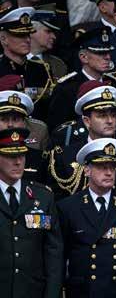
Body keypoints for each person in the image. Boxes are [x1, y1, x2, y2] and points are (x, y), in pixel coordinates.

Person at [57, 138, 116, 298]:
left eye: (112, 167)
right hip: (83, 291)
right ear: (87, 170)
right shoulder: (68, 207)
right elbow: (60, 256)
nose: (109, 172)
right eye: (102, 167)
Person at [47, 81, 116, 202]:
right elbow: (59, 204)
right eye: (102, 115)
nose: (110, 121)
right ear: (87, 121)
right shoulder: (65, 156)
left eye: (113, 115)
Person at [0, 127, 63, 297]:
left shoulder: (43, 196)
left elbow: (53, 255)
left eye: (21, 155)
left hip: (32, 291)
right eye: (10, 156)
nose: (18, 162)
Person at [46, 24, 116, 132]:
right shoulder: (67, 88)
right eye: (100, 53)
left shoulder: (114, 84)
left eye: (108, 52)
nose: (107, 57)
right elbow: (58, 128)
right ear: (83, 57)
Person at [0, 6, 53, 121]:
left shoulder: (41, 69)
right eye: (20, 35)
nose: (28, 40)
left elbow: (48, 108)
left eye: (28, 34)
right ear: (3, 39)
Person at [29, 5, 68, 81]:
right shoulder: (14, 61)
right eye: (48, 31)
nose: (54, 37)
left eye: (54, 32)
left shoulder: (58, 65)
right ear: (32, 31)